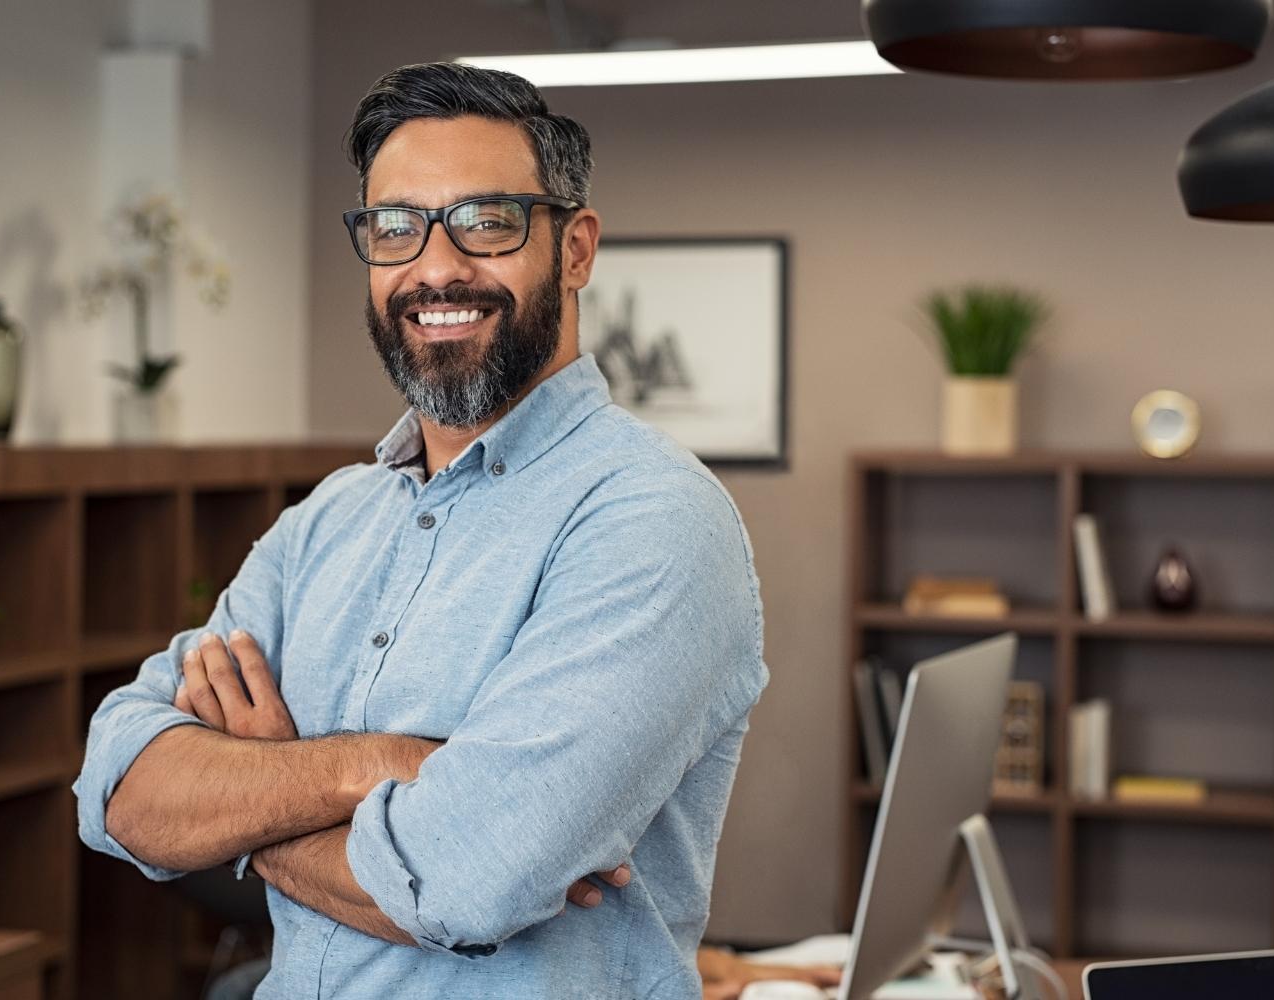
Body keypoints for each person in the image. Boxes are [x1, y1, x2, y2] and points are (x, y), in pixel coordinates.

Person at [74, 61, 768, 998]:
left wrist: (249, 796)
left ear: (574, 249)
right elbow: (118, 788)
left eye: (487, 222)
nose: (436, 267)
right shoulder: (325, 522)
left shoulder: (652, 520)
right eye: (396, 227)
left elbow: (465, 881)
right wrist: (383, 766)